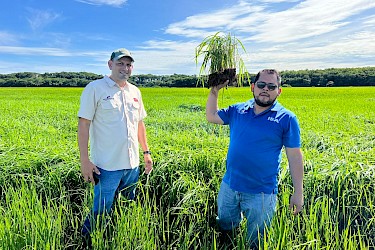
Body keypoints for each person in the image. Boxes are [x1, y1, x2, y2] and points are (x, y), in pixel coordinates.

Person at [206, 69, 304, 246]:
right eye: (261, 85)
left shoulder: (287, 119)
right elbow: (211, 116)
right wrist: (215, 90)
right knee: (226, 230)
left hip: (261, 193)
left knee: (256, 241)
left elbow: (295, 157)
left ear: (279, 91)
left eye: (271, 86)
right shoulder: (238, 110)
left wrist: (298, 193)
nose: (265, 89)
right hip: (230, 186)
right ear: (253, 87)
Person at [77, 48, 153, 246]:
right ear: (110, 64)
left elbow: (139, 124)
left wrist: (146, 153)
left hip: (132, 165)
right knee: (100, 210)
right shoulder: (95, 88)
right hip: (106, 165)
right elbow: (83, 124)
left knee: (127, 205)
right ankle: (87, 242)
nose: (125, 68)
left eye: (128, 64)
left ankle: (119, 236)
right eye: (120, 63)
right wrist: (85, 161)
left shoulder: (135, 91)